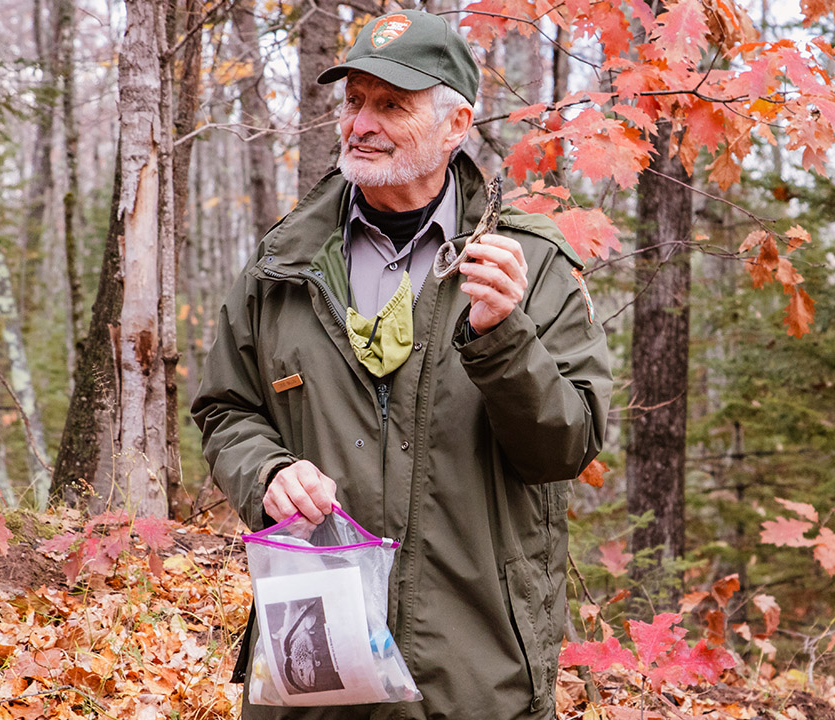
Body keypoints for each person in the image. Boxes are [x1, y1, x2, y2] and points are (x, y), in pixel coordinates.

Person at [191, 9, 612, 720]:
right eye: (354, 101)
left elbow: (566, 446)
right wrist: (266, 472)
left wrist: (505, 336)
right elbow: (226, 408)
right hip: (315, 676)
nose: (361, 123)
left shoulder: (529, 265)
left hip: (474, 679)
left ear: (455, 126)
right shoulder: (283, 262)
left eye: (391, 104)